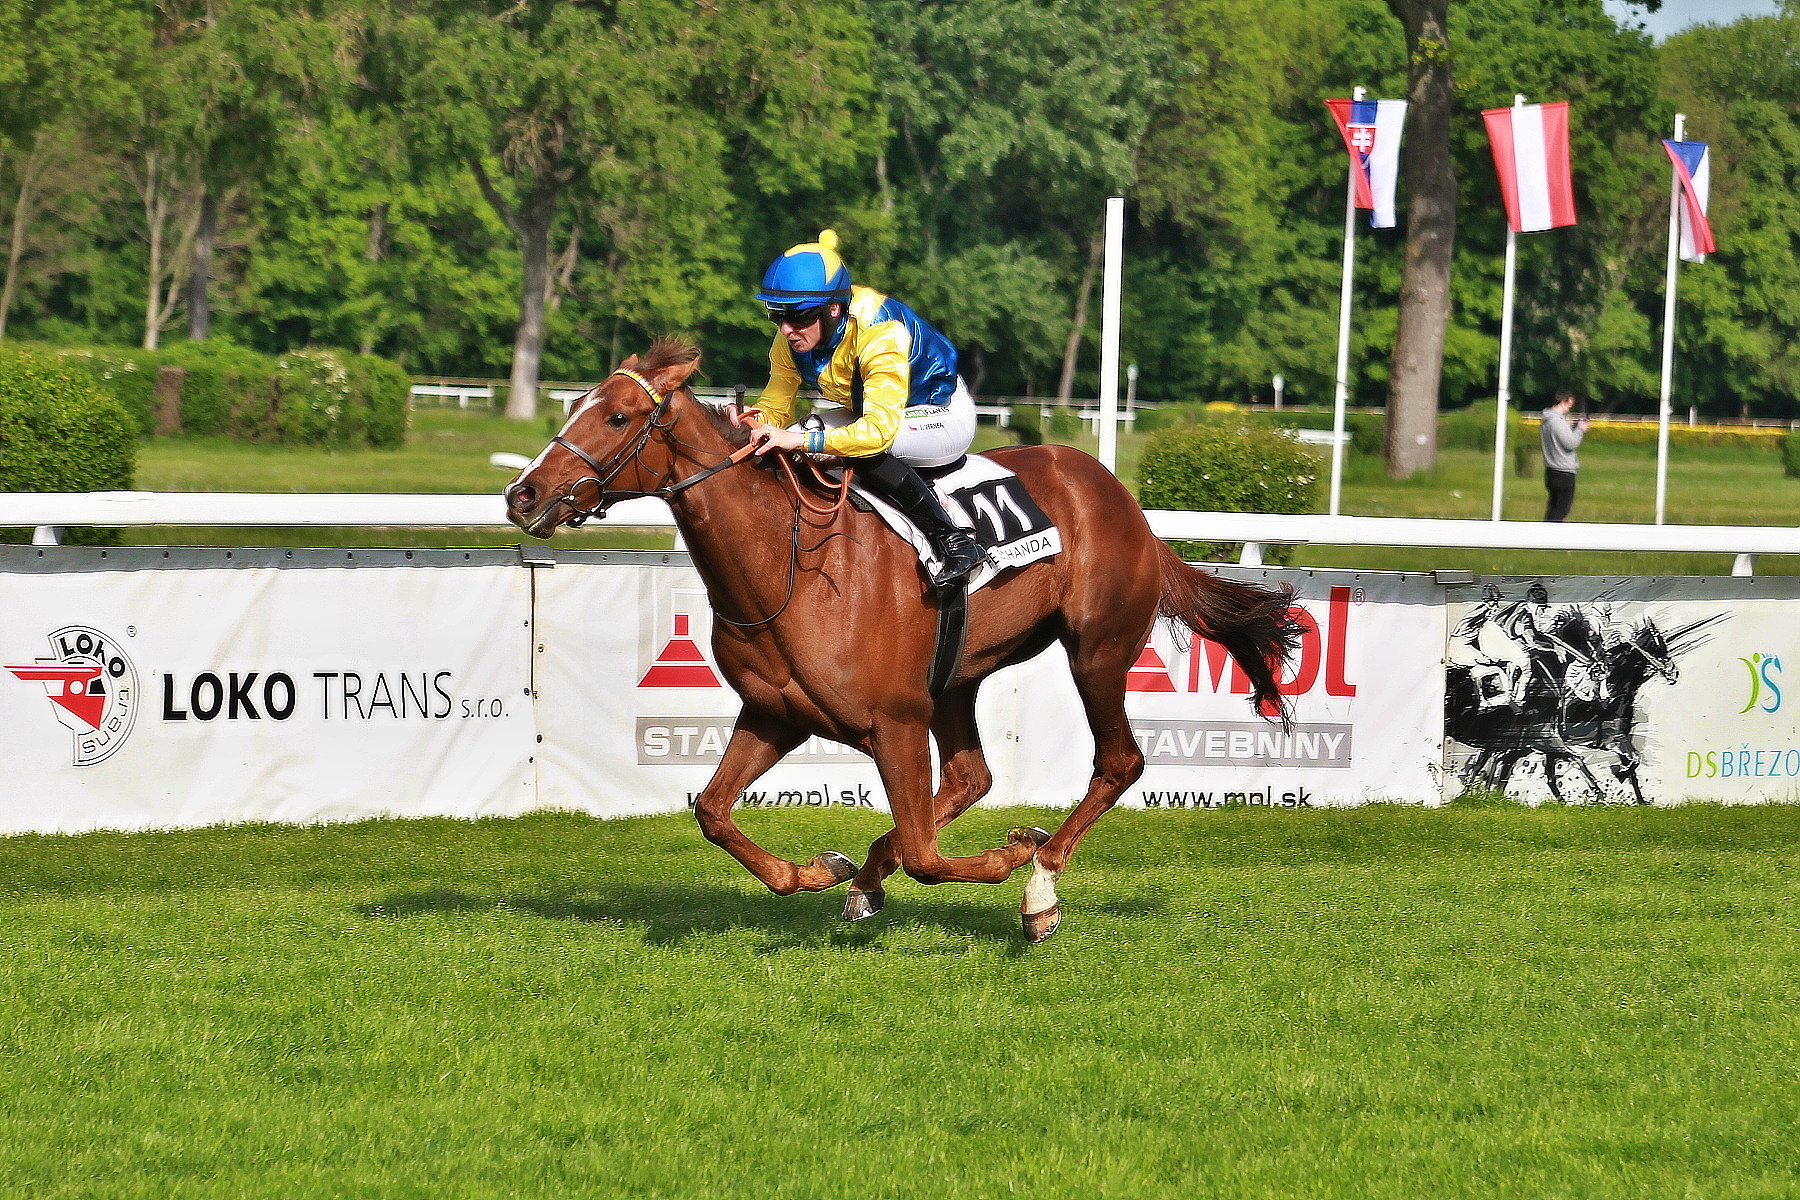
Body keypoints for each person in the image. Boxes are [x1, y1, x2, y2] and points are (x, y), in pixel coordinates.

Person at [738, 230, 985, 588]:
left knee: (862, 450)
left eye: (799, 317)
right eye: (778, 316)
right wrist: (751, 421)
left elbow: (876, 433)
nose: (788, 329)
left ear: (833, 308)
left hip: (940, 413)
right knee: (788, 439)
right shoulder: (790, 339)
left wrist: (804, 442)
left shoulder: (880, 331)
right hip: (877, 408)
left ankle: (955, 541)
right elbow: (775, 406)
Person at [1540, 389, 1589, 523]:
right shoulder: (1556, 422)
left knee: (1553, 507)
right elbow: (1570, 443)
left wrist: (1571, 427)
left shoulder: (1547, 419)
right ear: (1562, 401)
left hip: (1552, 470)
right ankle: (1551, 539)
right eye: (1569, 405)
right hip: (1563, 472)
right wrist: (1580, 430)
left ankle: (1545, 536)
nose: (1569, 408)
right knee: (1561, 509)